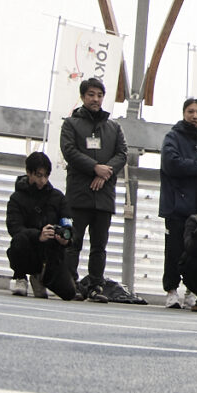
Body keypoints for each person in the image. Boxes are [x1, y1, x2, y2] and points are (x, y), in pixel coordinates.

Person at [57, 78, 137, 303]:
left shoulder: (113, 127)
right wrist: (94, 168)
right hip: (79, 194)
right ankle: (71, 283)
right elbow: (69, 151)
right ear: (83, 97)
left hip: (103, 195)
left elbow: (122, 153)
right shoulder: (71, 123)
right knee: (74, 241)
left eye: (99, 95)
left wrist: (106, 173)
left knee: (99, 246)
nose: (95, 99)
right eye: (91, 94)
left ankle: (95, 285)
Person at [157, 97, 197, 306]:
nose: (195, 116)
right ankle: (171, 290)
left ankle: (192, 291)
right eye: (191, 111)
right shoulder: (172, 138)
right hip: (176, 206)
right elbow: (170, 163)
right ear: (184, 113)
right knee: (174, 249)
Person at [6, 153, 75, 299]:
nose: (42, 180)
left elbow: (67, 221)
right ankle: (20, 277)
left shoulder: (57, 197)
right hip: (28, 249)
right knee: (19, 240)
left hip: (51, 253)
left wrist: (66, 238)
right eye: (38, 175)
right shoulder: (16, 199)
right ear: (28, 173)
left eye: (46, 176)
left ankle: (40, 278)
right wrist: (38, 235)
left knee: (69, 293)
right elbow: (14, 228)